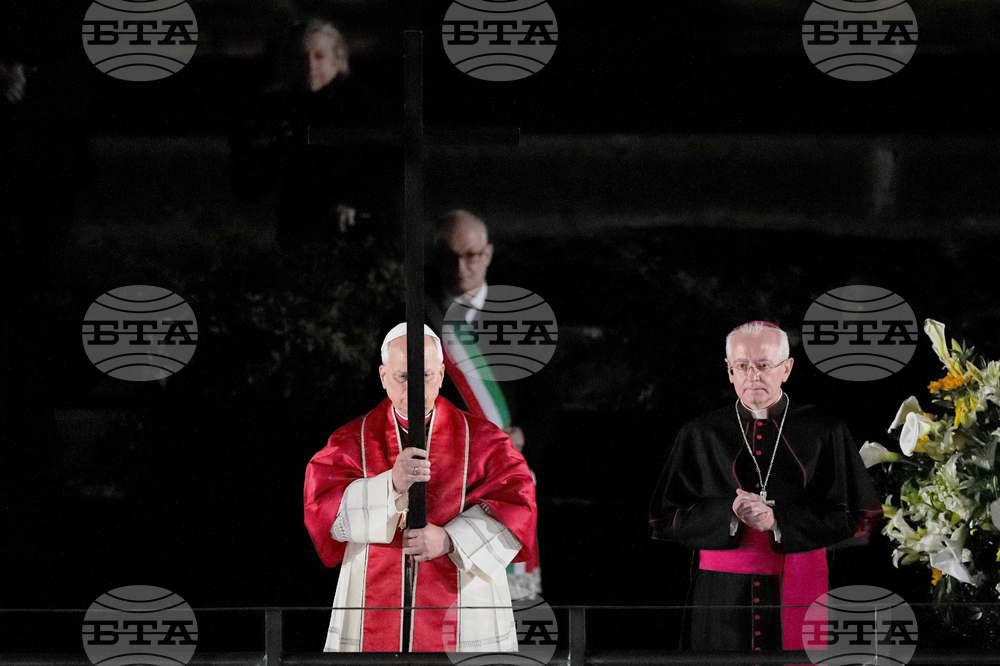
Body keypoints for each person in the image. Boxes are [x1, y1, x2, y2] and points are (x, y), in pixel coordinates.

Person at [649, 321, 881, 653]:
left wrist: (780, 521)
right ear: (729, 371)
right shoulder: (700, 433)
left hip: (800, 588)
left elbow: (864, 520)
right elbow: (662, 519)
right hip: (721, 597)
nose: (752, 375)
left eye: (763, 365)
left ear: (786, 369)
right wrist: (727, 513)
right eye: (742, 366)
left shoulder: (824, 431)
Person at [304, 323, 537, 651]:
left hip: (464, 603)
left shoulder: (488, 442)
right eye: (403, 377)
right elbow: (322, 510)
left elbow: (518, 505)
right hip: (374, 607)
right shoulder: (349, 442)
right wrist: (390, 485)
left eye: (425, 376)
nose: (414, 387)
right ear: (384, 376)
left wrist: (450, 539)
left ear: (441, 375)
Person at [427, 210, 541, 599]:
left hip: (509, 482)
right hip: (445, 489)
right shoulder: (414, 320)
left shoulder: (520, 319)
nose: (462, 267)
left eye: (472, 255)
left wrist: (527, 434)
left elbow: (548, 400)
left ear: (489, 254)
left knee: (512, 605)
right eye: (452, 256)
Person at [229, 18, 398, 248]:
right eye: (302, 57)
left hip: (355, 232)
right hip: (300, 227)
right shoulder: (279, 105)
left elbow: (393, 161)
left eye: (320, 57)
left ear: (338, 60)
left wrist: (357, 199)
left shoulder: (361, 107)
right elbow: (252, 171)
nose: (310, 66)